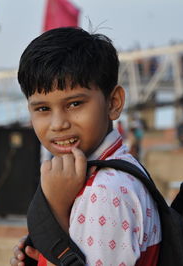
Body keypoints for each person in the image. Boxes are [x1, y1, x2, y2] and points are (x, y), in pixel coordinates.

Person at [11, 27, 161, 266]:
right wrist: (44, 248)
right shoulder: (120, 167)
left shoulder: (105, 192)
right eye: (43, 109)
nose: (58, 124)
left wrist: (57, 211)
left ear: (113, 103)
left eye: (74, 104)